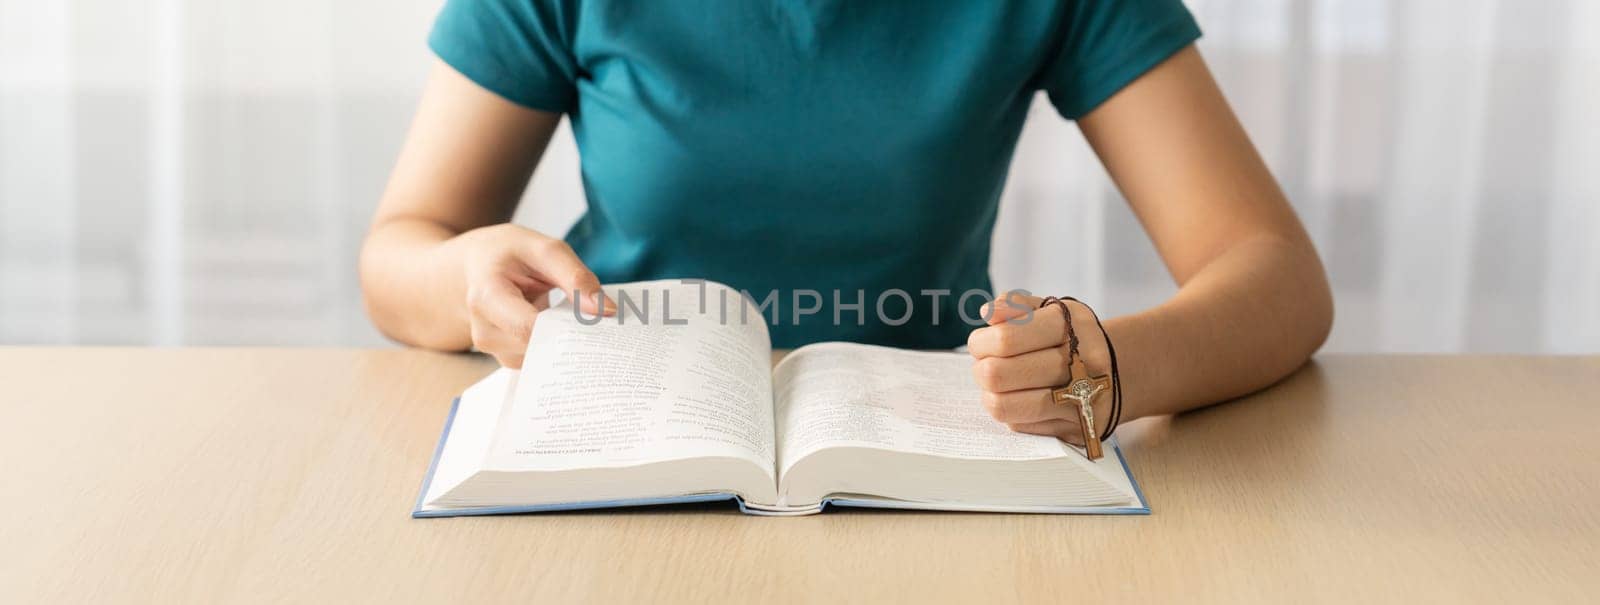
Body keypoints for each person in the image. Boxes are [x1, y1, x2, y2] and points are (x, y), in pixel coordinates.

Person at [360, 0, 1333, 445]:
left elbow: (1277, 275)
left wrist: (1110, 367)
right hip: (617, 443)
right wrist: (464, 278)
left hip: (918, 464)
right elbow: (402, 245)